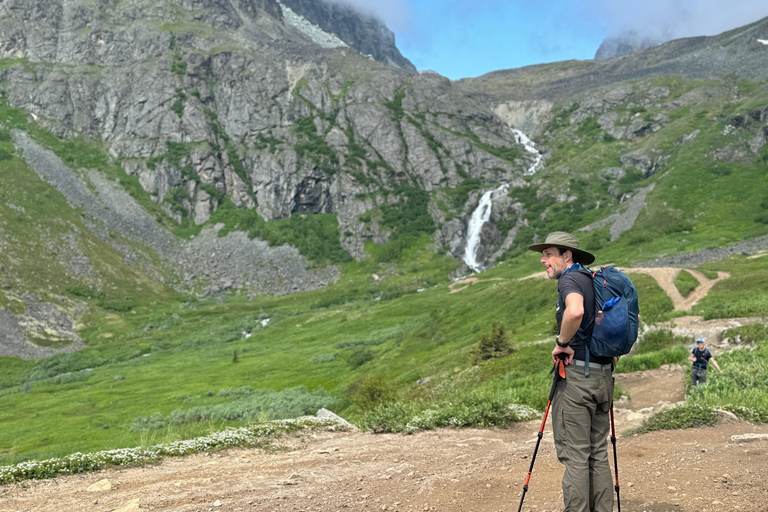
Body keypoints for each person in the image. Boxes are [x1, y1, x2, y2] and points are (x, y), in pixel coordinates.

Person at [529, 231, 614, 512]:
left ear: (567, 255)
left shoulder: (570, 279)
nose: (543, 260)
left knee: (576, 455)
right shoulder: (595, 281)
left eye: (548, 254)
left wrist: (561, 343)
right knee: (597, 452)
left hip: (577, 378)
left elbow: (574, 312)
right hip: (603, 377)